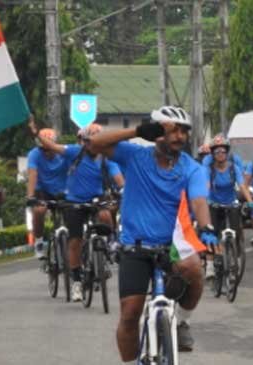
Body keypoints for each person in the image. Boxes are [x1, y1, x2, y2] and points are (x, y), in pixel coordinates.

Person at [87, 105, 217, 363]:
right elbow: (94, 143)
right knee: (130, 314)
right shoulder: (135, 155)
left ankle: (180, 322)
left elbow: (199, 201)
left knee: (194, 269)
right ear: (156, 132)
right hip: (135, 246)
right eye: (172, 130)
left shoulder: (192, 168)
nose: (179, 136)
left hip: (172, 245)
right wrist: (137, 131)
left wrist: (206, 228)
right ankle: (131, 361)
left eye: (184, 131)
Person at [31, 121, 124, 302]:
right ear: (87, 142)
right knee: (75, 241)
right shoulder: (74, 152)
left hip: (97, 200)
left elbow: (119, 179)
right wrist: (36, 133)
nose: (96, 145)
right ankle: (76, 281)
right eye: (92, 141)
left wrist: (123, 191)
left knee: (105, 215)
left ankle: (107, 247)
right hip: (74, 202)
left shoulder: (107, 158)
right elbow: (51, 146)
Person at [204, 134, 253, 279]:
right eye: (217, 152)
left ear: (227, 153)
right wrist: (205, 200)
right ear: (213, 154)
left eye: (223, 151)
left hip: (231, 202)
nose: (220, 154)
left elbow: (242, 186)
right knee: (211, 235)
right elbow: (206, 187)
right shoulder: (209, 169)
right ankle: (209, 266)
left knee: (237, 231)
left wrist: (250, 200)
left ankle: (236, 260)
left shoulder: (234, 169)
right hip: (214, 204)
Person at [26, 127, 70, 259]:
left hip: (63, 190)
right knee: (39, 211)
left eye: (49, 148)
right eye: (43, 149)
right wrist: (30, 196)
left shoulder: (64, 152)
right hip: (43, 190)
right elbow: (32, 174)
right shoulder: (34, 154)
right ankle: (39, 242)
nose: (46, 152)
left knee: (74, 211)